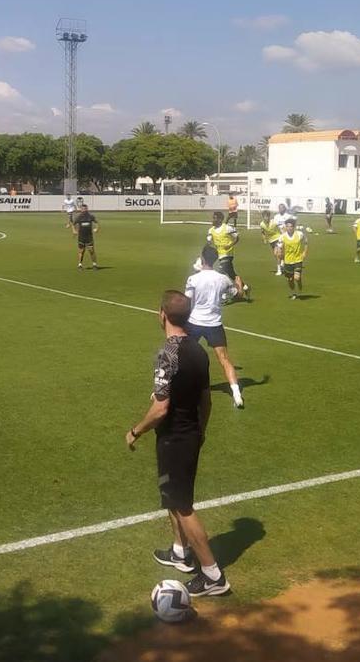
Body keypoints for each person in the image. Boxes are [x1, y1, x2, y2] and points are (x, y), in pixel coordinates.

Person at [127, 290, 231, 597]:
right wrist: (201, 430)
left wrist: (135, 431)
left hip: (174, 439)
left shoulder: (167, 354)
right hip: (190, 434)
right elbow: (206, 399)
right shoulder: (198, 351)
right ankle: (180, 553)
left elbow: (160, 408)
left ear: (161, 314)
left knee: (183, 506)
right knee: (172, 497)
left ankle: (213, 575)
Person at [187, 246, 245, 408]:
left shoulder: (193, 279)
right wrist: (239, 285)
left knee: (183, 355)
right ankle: (237, 394)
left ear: (202, 259)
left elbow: (186, 301)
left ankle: (172, 388)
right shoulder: (223, 279)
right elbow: (237, 295)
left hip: (195, 322)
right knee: (224, 359)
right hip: (214, 324)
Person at [207, 211, 249, 301]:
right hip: (219, 254)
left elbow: (237, 237)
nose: (213, 220)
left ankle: (224, 295)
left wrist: (230, 245)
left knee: (220, 273)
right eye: (213, 218)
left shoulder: (227, 228)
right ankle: (245, 287)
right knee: (231, 274)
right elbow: (209, 240)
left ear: (220, 219)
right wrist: (209, 242)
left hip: (228, 254)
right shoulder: (211, 230)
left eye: (214, 218)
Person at [279, 218, 308, 299]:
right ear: (285, 227)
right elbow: (280, 249)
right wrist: (281, 258)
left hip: (298, 259)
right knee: (290, 280)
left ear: (294, 227)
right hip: (288, 261)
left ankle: (299, 282)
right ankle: (293, 293)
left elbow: (305, 241)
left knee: (296, 277)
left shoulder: (299, 234)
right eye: (287, 226)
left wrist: (305, 252)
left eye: (291, 226)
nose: (289, 228)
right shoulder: (282, 237)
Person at [257, 209, 283, 277]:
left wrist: (283, 235)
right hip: (271, 240)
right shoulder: (262, 224)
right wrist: (264, 239)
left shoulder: (274, 222)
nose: (266, 218)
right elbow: (262, 231)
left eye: (267, 216)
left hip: (278, 238)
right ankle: (282, 260)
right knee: (276, 254)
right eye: (265, 217)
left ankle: (279, 270)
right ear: (263, 217)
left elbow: (281, 228)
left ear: (269, 216)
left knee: (277, 254)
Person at [73, 203, 100, 270]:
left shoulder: (91, 216)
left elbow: (97, 223)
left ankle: (94, 264)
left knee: (91, 251)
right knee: (81, 251)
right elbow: (73, 224)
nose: (84, 210)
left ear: (87, 209)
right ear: (81, 209)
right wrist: (74, 230)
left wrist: (97, 229)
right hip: (81, 237)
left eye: (85, 209)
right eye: (83, 209)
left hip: (89, 237)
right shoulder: (78, 217)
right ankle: (79, 265)